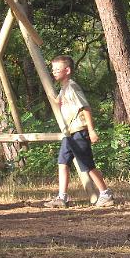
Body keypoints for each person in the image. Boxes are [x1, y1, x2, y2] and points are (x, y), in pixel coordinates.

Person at [45, 55, 114, 208]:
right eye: (53, 69)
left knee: (87, 164)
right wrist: (50, 93)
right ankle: (62, 197)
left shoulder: (72, 87)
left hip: (78, 131)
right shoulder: (64, 88)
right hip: (68, 133)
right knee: (62, 163)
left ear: (67, 70)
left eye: (57, 69)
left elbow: (85, 108)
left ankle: (105, 193)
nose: (54, 72)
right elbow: (59, 102)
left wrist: (91, 130)